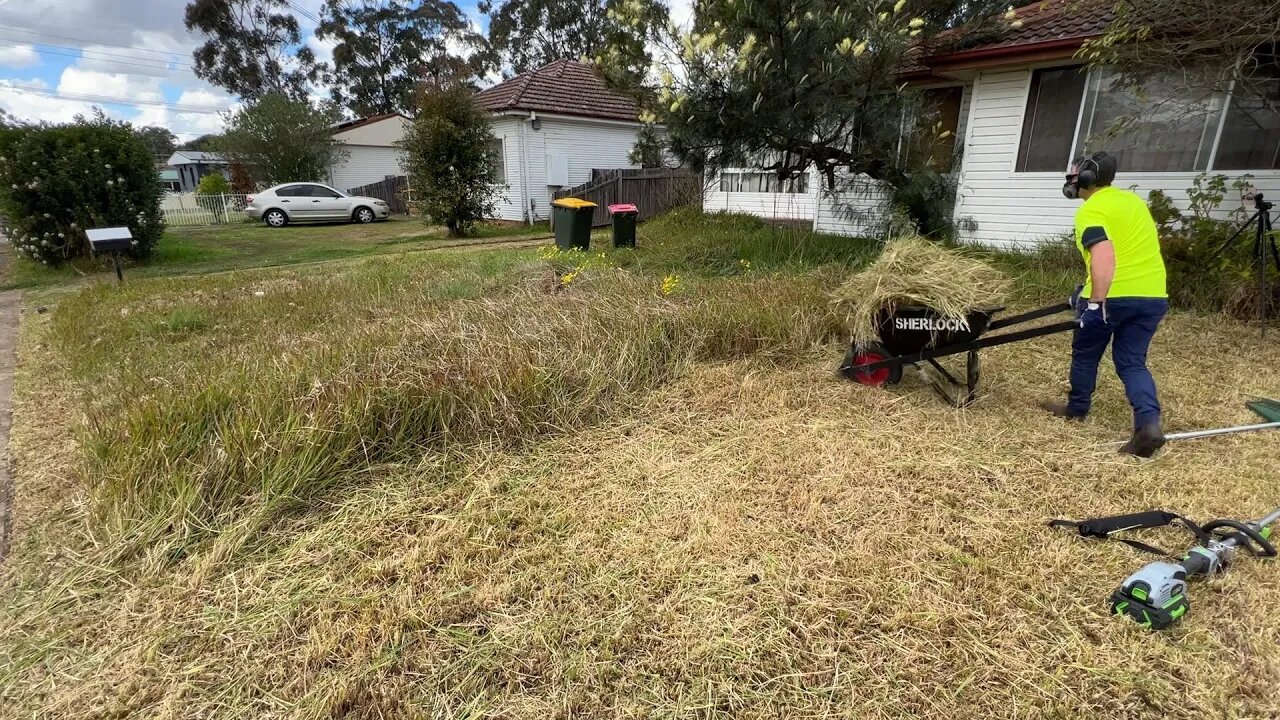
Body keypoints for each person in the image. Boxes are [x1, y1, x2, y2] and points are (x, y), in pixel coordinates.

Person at [1041, 151, 1169, 457]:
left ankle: (1077, 408)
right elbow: (1129, 249)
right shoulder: (1133, 202)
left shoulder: (1092, 210)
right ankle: (1148, 425)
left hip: (1113, 297)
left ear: (1086, 178)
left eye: (1075, 174)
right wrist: (1083, 289)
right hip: (1152, 295)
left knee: (1086, 352)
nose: (1071, 180)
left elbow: (1103, 254)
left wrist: (1096, 302)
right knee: (1132, 362)